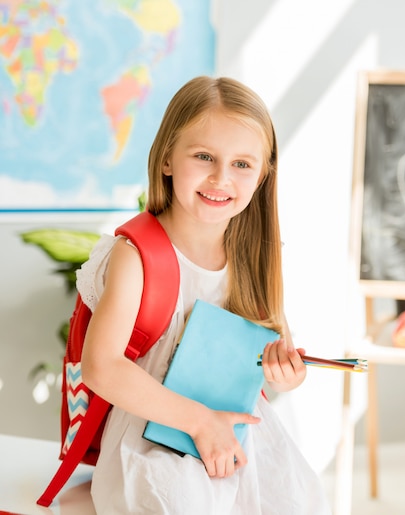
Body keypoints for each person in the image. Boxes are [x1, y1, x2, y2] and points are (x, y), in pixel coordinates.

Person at [79, 76, 331, 514]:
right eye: (204, 156)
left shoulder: (256, 257)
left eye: (241, 164)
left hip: (236, 435)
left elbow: (270, 357)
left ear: (263, 174)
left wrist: (284, 373)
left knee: (299, 498)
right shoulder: (136, 255)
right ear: (167, 160)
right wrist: (199, 422)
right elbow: (101, 368)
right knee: (182, 500)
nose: (220, 178)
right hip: (155, 435)